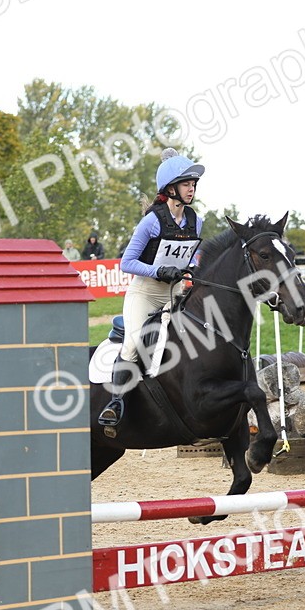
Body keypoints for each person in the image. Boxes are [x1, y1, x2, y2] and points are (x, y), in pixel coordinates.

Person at [97, 148, 204, 431]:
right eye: (186, 184)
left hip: (177, 291)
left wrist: (191, 266)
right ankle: (115, 403)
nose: (191, 188)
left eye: (193, 184)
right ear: (171, 189)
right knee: (133, 345)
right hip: (145, 293)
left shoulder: (196, 220)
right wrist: (159, 270)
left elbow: (194, 255)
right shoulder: (151, 221)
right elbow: (126, 263)